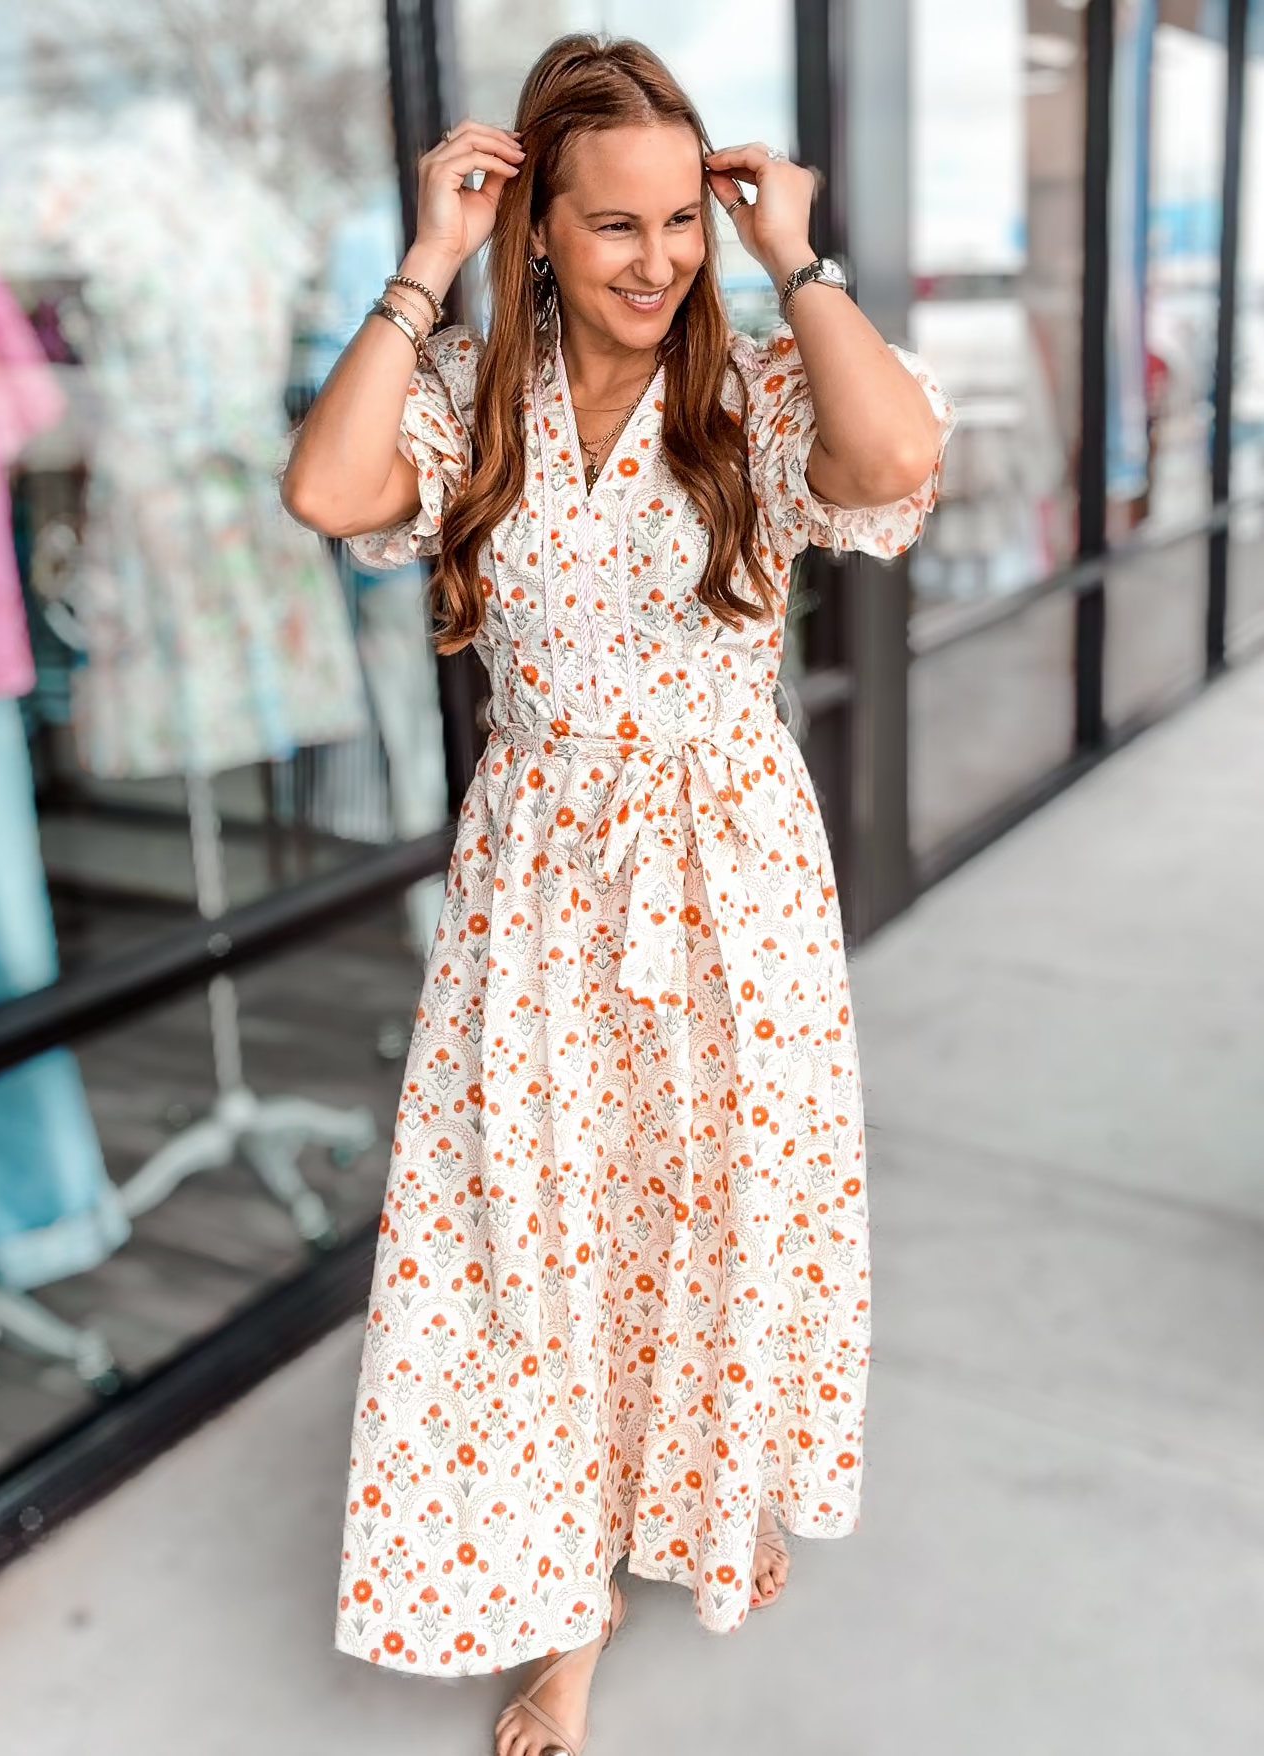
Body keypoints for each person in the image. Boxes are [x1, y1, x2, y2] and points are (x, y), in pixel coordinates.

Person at [282, 32, 952, 1756]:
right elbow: (328, 489)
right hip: (540, 888)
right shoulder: (471, 398)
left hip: (731, 879)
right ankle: (560, 1607)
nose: (659, 261)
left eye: (680, 221)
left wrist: (794, 254)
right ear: (540, 232)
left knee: (718, 1219)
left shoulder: (758, 394)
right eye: (612, 228)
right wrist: (427, 261)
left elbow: (887, 469)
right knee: (531, 1241)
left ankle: (710, 1501)